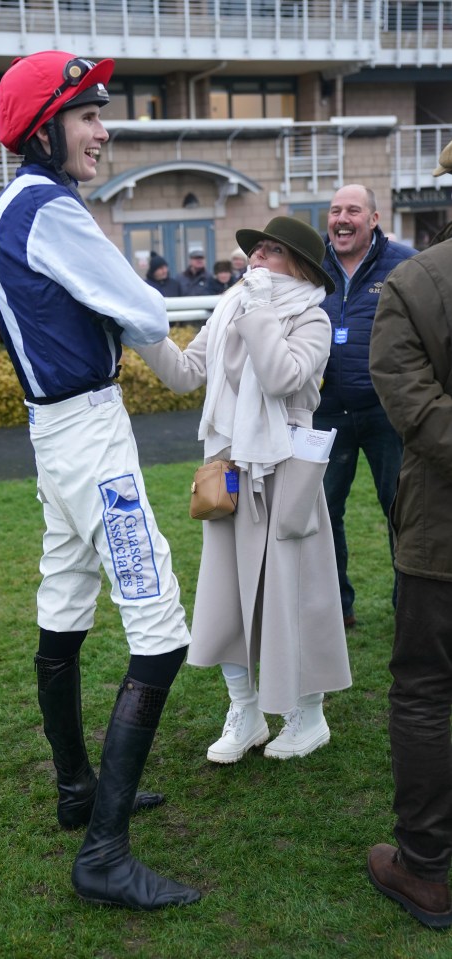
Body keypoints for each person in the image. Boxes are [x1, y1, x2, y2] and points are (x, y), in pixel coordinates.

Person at [0, 51, 200, 911]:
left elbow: (127, 334)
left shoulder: (10, 206)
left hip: (58, 436)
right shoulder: (50, 208)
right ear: (43, 128)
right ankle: (104, 852)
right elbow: (142, 313)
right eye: (87, 114)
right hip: (90, 438)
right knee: (161, 630)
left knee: (64, 602)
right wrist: (166, 337)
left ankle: (77, 788)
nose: (103, 130)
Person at [136, 217, 352, 763]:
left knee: (293, 591)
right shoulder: (231, 307)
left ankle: (308, 717)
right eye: (255, 250)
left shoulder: (312, 317)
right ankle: (245, 710)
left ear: (299, 264)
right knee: (226, 594)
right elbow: (186, 372)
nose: (256, 260)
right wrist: (139, 329)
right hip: (228, 471)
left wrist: (256, 309)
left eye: (272, 252)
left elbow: (281, 378)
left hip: (286, 471)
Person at [366, 147, 452, 929]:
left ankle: (426, 868)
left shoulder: (416, 280)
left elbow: (415, 412)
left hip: (440, 537)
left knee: (425, 689)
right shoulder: (413, 280)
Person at [313, 185, 416, 628]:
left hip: (384, 411)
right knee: (321, 510)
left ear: (373, 219)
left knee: (400, 509)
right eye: (335, 210)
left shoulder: (406, 264)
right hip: (325, 411)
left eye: (353, 210)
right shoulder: (308, 264)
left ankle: (409, 605)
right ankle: (338, 606)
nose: (341, 218)